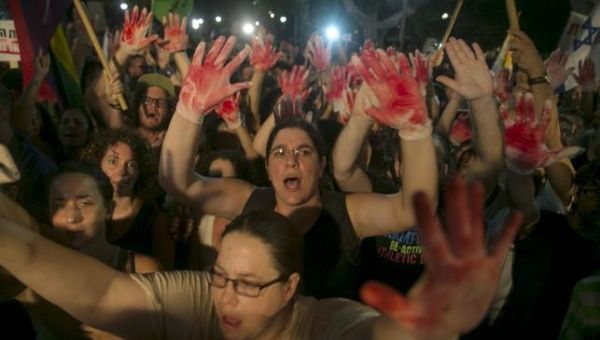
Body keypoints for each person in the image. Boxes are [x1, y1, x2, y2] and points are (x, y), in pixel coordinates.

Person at [0, 173, 522, 339]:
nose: (227, 297)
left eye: (249, 285)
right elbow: (105, 292)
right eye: (221, 276)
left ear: (291, 287)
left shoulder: (324, 321)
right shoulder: (206, 300)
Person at [160, 35, 438, 299]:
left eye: (303, 152)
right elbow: (179, 184)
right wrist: (189, 109)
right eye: (279, 152)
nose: (290, 160)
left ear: (321, 165)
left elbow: (414, 209)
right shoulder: (251, 201)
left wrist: (415, 130)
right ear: (267, 168)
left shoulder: (346, 213)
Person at [1, 161, 160, 339]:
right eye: (59, 205)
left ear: (108, 209)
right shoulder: (32, 276)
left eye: (85, 203)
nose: (72, 217)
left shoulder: (142, 270)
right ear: (48, 212)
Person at [82, 128, 174, 268]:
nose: (122, 172)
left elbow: (166, 279)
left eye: (131, 165)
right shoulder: (85, 209)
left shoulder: (155, 220)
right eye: (113, 161)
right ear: (98, 164)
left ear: (139, 172)